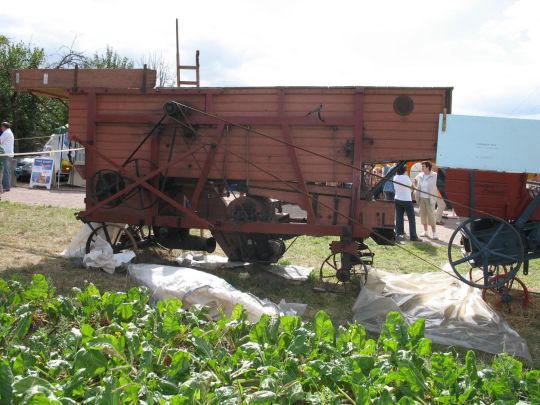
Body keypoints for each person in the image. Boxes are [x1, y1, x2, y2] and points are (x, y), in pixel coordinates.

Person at [393, 166, 421, 241]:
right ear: (404, 171)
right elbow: (411, 186)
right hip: (406, 199)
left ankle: (400, 234)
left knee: (399, 217)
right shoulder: (406, 177)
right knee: (411, 218)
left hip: (397, 198)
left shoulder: (395, 177)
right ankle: (413, 236)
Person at [414, 161, 438, 240]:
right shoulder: (420, 175)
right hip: (421, 198)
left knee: (431, 216)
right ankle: (425, 231)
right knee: (423, 215)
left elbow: (439, 185)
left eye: (423, 166)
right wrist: (416, 188)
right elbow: (415, 180)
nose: (422, 168)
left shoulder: (434, 175)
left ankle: (434, 233)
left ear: (428, 167)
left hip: (430, 198)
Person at [0, 122, 15, 192]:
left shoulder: (6, 133)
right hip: (9, 154)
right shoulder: (10, 132)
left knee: (4, 171)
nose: (1, 128)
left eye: (1, 127)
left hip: (5, 154)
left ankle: (6, 187)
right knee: (7, 171)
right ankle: (7, 186)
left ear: (4, 127)